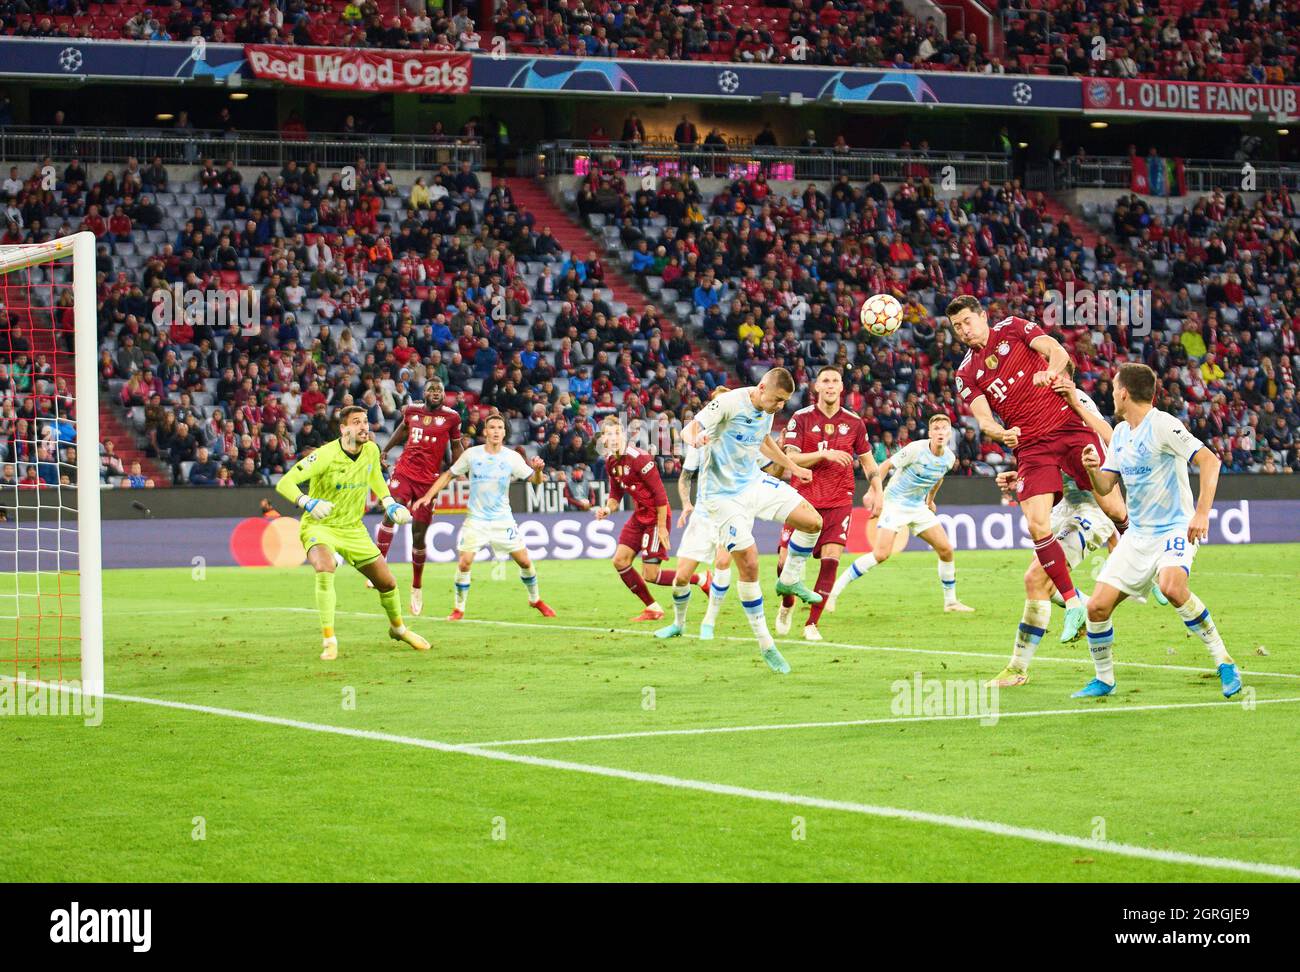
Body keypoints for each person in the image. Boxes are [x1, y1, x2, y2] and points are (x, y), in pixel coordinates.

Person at [948, 295, 1127, 643]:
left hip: (1067, 426)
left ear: (983, 317)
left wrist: (1052, 369)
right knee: (1035, 524)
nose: (963, 330)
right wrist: (1002, 433)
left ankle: (1147, 559)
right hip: (1030, 444)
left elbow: (1057, 350)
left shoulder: (1013, 328)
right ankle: (1074, 602)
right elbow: (984, 419)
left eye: (968, 321)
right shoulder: (966, 372)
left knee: (1113, 506)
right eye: (957, 327)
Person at [1074, 364, 1240, 699]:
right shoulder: (1120, 433)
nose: (1111, 393)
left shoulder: (1163, 424)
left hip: (1174, 528)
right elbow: (1106, 486)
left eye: (1113, 387)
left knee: (1172, 585)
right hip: (1138, 536)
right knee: (1096, 608)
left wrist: (1202, 513)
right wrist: (1091, 469)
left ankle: (1225, 662)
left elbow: (1210, 460)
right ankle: (1104, 679)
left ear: (1123, 392)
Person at [654, 368, 820, 675]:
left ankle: (790, 578)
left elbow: (765, 441)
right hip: (720, 498)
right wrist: (698, 438)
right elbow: (688, 430)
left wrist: (792, 467)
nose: (780, 406)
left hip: (752, 483)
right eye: (778, 399)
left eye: (784, 401)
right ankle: (767, 644)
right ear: (761, 388)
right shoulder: (729, 402)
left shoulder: (767, 409)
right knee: (750, 564)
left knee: (812, 521)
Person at [274, 405, 430, 661]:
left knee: (387, 583)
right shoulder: (325, 455)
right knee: (325, 567)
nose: (364, 427)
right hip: (320, 526)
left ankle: (398, 629)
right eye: (357, 422)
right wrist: (308, 502)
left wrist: (389, 503)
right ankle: (329, 640)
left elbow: (375, 477)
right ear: (343, 428)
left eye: (366, 422)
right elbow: (285, 483)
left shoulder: (370, 449)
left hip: (353, 529)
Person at [774, 366, 882, 641]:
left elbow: (868, 461)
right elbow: (790, 459)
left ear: (842, 387)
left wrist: (877, 490)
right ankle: (787, 604)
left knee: (831, 562)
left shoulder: (855, 422)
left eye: (835, 380)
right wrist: (825, 454)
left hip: (839, 499)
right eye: (825, 381)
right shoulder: (801, 418)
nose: (831, 385)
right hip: (803, 500)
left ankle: (812, 624)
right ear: (816, 387)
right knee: (784, 563)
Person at [412, 412, 555, 620]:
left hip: (502, 520)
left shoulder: (511, 457)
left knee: (524, 562)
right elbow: (449, 474)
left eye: (500, 428)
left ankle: (535, 600)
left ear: (504, 432)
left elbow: (535, 481)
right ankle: (458, 609)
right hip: (476, 520)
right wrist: (428, 496)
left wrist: (539, 471)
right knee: (464, 563)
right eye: (492, 427)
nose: (496, 431)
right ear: (485, 431)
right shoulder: (472, 455)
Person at [828, 414, 974, 614]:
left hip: (917, 507)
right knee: (881, 554)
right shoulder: (916, 449)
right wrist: (873, 492)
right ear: (930, 433)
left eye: (944, 429)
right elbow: (886, 464)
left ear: (950, 433)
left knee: (946, 549)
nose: (940, 432)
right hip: (894, 503)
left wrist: (930, 500)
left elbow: (938, 477)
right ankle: (833, 592)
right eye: (936, 429)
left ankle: (950, 602)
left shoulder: (949, 458)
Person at [594, 415, 706, 622]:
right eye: (609, 434)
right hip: (639, 516)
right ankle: (653, 608)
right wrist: (607, 510)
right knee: (619, 560)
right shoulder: (611, 463)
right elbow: (615, 495)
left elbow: (661, 496)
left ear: (624, 435)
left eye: (617, 433)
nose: (614, 438)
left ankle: (701, 579)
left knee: (651, 575)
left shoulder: (640, 458)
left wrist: (662, 528)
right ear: (603, 440)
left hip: (656, 517)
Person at [374, 378, 463, 615]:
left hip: (429, 482)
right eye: (431, 389)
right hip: (404, 471)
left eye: (439, 390)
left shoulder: (452, 417)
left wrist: (460, 468)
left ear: (444, 394)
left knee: (418, 536)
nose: (435, 392)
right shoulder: (411, 411)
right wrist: (385, 449)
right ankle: (378, 565)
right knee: (392, 510)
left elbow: (456, 446)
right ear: (424, 393)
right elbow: (402, 429)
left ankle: (416, 586)